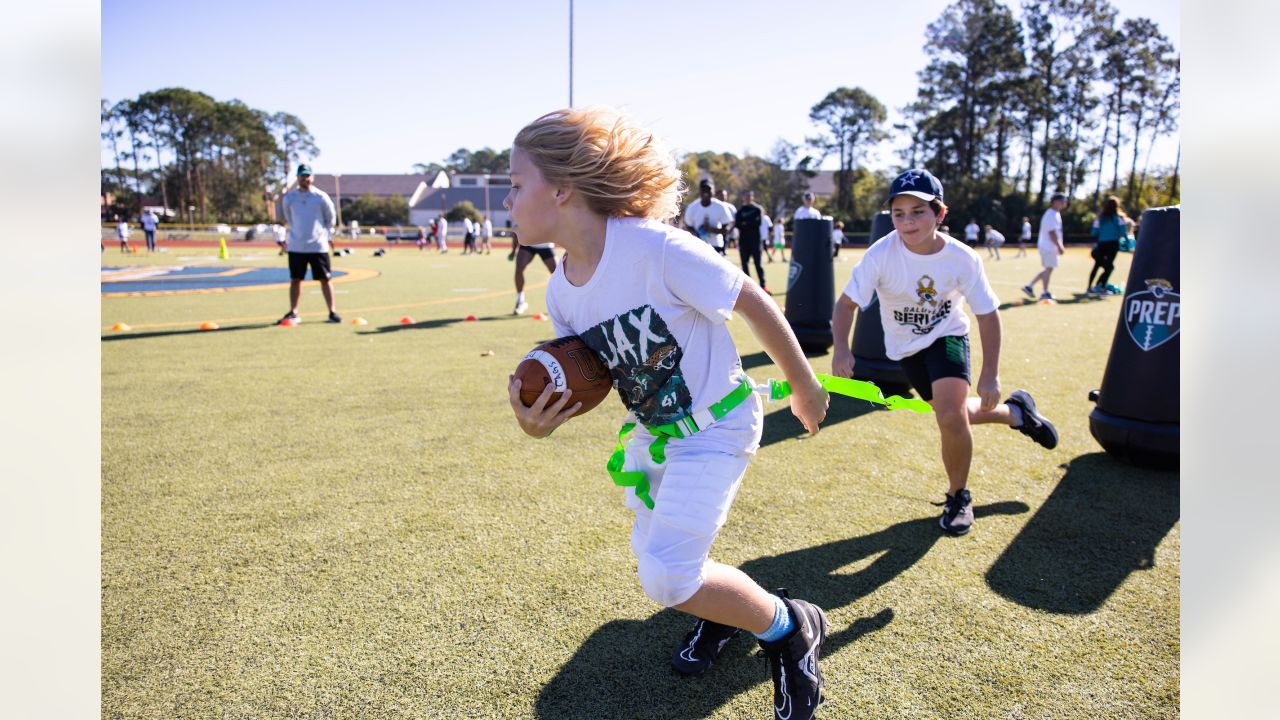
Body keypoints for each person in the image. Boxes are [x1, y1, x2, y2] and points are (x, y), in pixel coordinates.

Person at [505, 107, 831, 720]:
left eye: (517, 184)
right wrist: (537, 417)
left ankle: (791, 628)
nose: (509, 200)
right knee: (666, 556)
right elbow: (589, 376)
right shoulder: (560, 289)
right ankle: (726, 615)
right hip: (656, 435)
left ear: (561, 189)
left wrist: (804, 384)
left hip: (717, 427)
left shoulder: (655, 249)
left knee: (667, 578)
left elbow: (751, 299)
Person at [832, 168, 1059, 536]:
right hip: (905, 348)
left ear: (939, 214)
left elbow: (987, 314)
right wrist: (841, 349)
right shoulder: (880, 255)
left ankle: (959, 496)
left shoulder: (962, 258)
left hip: (947, 335)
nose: (907, 222)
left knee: (950, 415)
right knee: (947, 412)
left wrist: (990, 374)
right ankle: (1016, 413)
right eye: (899, 213)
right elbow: (845, 306)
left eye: (918, 211)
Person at [279, 163, 341, 324]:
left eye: (307, 175)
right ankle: (294, 311)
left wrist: (325, 236)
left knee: (325, 279)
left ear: (312, 177)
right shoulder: (290, 198)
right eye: (302, 176)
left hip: (318, 246)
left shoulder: (321, 197)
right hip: (296, 246)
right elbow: (289, 218)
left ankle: (332, 311)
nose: (305, 179)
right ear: (297, 178)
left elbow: (330, 219)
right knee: (295, 279)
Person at [1021, 193, 1068, 301]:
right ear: (1055, 201)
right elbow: (1052, 233)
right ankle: (1044, 292)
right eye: (1062, 200)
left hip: (1049, 246)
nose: (1063, 203)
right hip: (1048, 246)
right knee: (1049, 269)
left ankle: (1030, 287)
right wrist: (1060, 246)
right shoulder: (1051, 214)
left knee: (1048, 269)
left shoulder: (1055, 214)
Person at [1086, 195, 1131, 296]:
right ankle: (1100, 287)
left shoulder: (1100, 219)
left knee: (1097, 266)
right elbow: (1123, 232)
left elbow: (1093, 232)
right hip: (1113, 245)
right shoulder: (1118, 218)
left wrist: (1103, 233)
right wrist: (1128, 242)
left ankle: (1089, 287)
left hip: (1101, 244)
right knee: (1109, 267)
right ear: (1117, 206)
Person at [508, 231, 558, 315]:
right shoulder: (522, 217)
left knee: (558, 275)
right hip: (529, 244)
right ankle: (520, 301)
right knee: (519, 268)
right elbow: (516, 229)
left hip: (546, 245)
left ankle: (561, 304)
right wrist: (513, 250)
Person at [681, 179, 734, 256]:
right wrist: (697, 233)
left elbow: (727, 228)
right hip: (697, 246)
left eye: (708, 189)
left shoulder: (721, 207)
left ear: (713, 191)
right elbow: (687, 226)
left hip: (716, 246)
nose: (706, 192)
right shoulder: (692, 207)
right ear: (699, 191)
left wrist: (710, 229)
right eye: (703, 189)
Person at [734, 190, 767, 290]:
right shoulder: (740, 211)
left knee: (758, 264)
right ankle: (749, 287)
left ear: (753, 197)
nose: (748, 197)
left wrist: (746, 223)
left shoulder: (757, 209)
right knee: (745, 265)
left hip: (755, 242)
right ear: (743, 197)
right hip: (744, 242)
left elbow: (757, 223)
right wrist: (748, 223)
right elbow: (738, 224)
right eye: (746, 196)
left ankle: (763, 285)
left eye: (750, 196)